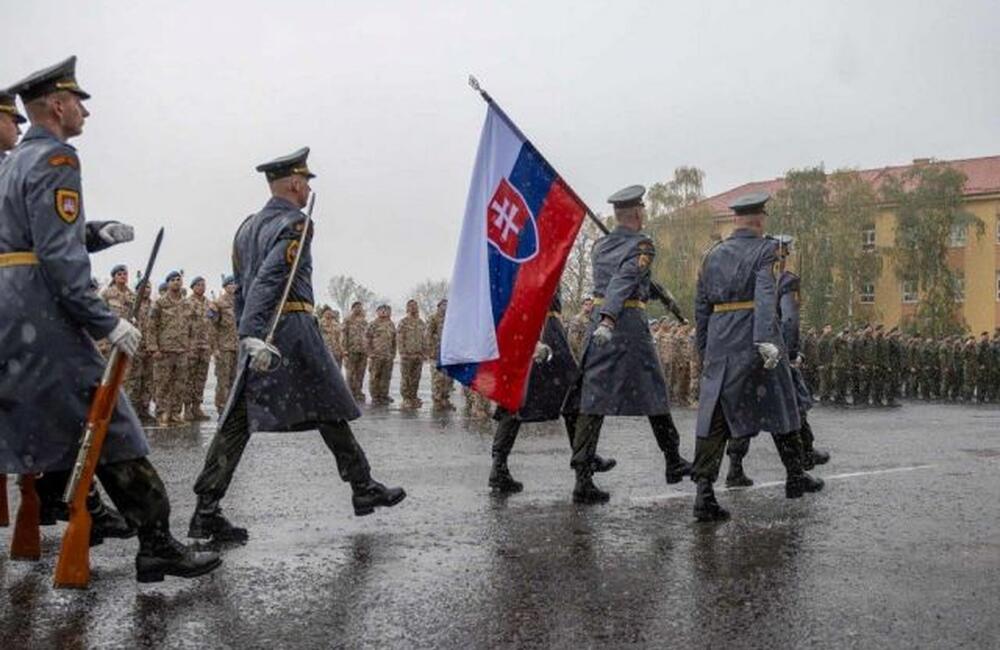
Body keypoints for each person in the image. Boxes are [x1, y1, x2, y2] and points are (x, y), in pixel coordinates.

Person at [0, 56, 219, 581]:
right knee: (112, 423)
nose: (85, 114)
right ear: (57, 104)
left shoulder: (10, 163)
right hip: (46, 315)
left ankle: (85, 514)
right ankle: (157, 541)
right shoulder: (57, 161)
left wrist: (94, 233)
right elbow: (55, 258)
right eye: (79, 102)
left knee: (50, 421)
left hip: (13, 310)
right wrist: (103, 321)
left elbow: (29, 238)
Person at [188, 147, 405, 543]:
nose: (307, 189)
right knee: (326, 405)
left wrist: (246, 333)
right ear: (292, 182)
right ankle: (362, 485)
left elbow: (241, 289)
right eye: (304, 181)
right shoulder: (296, 224)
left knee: (248, 418)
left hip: (260, 332)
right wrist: (252, 331)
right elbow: (272, 277)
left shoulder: (246, 227)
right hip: (290, 328)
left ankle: (207, 509)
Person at [689, 192, 822, 523]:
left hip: (721, 340)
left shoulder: (711, 256)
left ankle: (704, 493)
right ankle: (795, 476)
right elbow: (766, 292)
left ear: (735, 220)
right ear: (761, 220)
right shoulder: (769, 249)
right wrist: (764, 338)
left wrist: (705, 350)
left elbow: (701, 307)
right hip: (755, 336)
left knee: (715, 417)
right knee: (782, 405)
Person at [564, 185, 691, 504]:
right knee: (655, 393)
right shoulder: (643, 245)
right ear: (636, 213)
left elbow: (615, 278)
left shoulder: (600, 245)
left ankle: (583, 476)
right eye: (643, 210)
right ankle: (673, 460)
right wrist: (609, 318)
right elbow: (622, 281)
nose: (645, 214)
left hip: (602, 325)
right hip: (627, 325)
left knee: (593, 399)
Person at [489, 289, 616, 493]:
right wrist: (535, 338)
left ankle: (499, 468)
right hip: (542, 328)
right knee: (575, 398)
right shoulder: (533, 258)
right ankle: (584, 472)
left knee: (515, 400)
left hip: (533, 326)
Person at [149, 270, 192, 425]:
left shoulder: (187, 303)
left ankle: (174, 413)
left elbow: (191, 327)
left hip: (182, 350)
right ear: (168, 283)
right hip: (164, 350)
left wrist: (190, 345)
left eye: (179, 279)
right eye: (173, 279)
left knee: (180, 384)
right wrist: (154, 348)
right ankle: (161, 414)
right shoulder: (160, 303)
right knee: (162, 383)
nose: (176, 282)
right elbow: (152, 326)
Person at [183, 276, 213, 421]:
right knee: (189, 377)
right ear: (193, 287)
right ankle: (187, 407)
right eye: (199, 285)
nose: (202, 287)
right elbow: (182, 326)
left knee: (201, 378)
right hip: (192, 346)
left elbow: (213, 324)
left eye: (203, 285)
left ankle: (197, 406)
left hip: (205, 346)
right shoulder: (187, 303)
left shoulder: (209, 303)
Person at [210, 275, 239, 413]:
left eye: (235, 284)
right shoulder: (218, 303)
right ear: (225, 287)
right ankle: (221, 407)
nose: (233, 286)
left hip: (237, 347)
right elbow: (212, 327)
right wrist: (215, 348)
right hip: (223, 347)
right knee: (223, 380)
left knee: (235, 379)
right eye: (230, 284)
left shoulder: (240, 303)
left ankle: (232, 406)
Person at [426, 298, 456, 410]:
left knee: (448, 378)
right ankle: (437, 401)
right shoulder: (433, 318)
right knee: (437, 378)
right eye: (443, 305)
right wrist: (431, 351)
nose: (445, 307)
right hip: (437, 354)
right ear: (438, 307)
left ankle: (445, 399)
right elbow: (428, 335)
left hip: (449, 354)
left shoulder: (452, 318)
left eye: (447, 305)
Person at [396, 299, 426, 409]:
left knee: (416, 378)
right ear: (407, 308)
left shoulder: (421, 322)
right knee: (406, 378)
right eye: (411, 306)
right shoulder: (403, 322)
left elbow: (424, 338)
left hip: (418, 355)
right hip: (407, 355)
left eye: (415, 305)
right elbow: (399, 338)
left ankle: (413, 397)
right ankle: (406, 399)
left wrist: (424, 352)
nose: (413, 308)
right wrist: (402, 352)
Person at [366, 304, 397, 406]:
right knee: (375, 377)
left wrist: (393, 353)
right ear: (377, 312)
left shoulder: (391, 324)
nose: (384, 312)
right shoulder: (373, 324)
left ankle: (384, 395)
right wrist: (370, 353)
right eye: (381, 310)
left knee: (386, 377)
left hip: (387, 356)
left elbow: (394, 340)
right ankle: (375, 397)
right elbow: (367, 339)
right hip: (376, 355)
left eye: (386, 310)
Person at [343, 301, 369, 403]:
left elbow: (367, 336)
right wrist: (344, 349)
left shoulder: (364, 321)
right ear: (352, 308)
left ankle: (358, 391)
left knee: (361, 372)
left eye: (360, 307)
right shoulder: (347, 320)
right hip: (351, 350)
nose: (359, 309)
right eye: (356, 307)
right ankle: (349, 392)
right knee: (350, 373)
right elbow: (344, 335)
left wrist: (368, 349)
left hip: (363, 351)